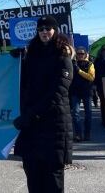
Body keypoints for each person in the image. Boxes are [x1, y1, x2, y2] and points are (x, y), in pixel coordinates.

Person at [11, 15, 74, 193]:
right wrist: (16, 62)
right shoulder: (32, 54)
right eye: (40, 29)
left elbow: (58, 93)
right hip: (32, 128)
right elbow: (24, 84)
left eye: (48, 28)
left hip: (54, 126)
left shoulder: (63, 56)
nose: (44, 32)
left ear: (55, 30)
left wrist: (31, 115)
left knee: (52, 180)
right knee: (33, 176)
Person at [69, 48, 95, 142]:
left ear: (85, 54)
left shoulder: (90, 64)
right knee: (75, 114)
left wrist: (79, 71)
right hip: (75, 91)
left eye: (82, 53)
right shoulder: (72, 64)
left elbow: (91, 77)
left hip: (86, 92)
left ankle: (87, 134)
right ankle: (78, 134)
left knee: (88, 114)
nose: (80, 55)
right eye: (78, 53)